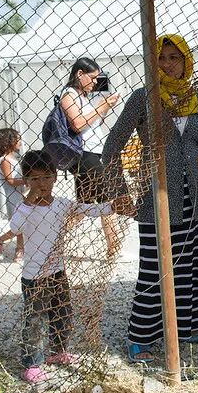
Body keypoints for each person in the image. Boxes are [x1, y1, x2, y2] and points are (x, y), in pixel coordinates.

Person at [101, 34, 198, 363]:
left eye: (175, 57)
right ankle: (141, 335)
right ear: (152, 62)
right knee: (156, 269)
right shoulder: (143, 98)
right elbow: (111, 147)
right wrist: (119, 192)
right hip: (155, 201)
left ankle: (192, 327)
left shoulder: (195, 98)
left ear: (186, 61)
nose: (168, 64)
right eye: (161, 58)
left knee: (194, 264)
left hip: (192, 199)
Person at [8, 150, 119, 384]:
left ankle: (58, 351)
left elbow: (88, 209)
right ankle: (31, 363)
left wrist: (112, 206)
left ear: (56, 177)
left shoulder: (60, 204)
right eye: (35, 179)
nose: (42, 184)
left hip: (58, 271)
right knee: (35, 320)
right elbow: (15, 227)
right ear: (26, 181)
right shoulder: (24, 208)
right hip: (34, 277)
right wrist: (28, 201)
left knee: (62, 314)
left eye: (47, 177)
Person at [59, 58, 122, 256]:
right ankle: (114, 249)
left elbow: (91, 125)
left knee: (83, 207)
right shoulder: (69, 95)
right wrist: (101, 108)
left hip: (92, 152)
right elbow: (78, 124)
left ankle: (51, 239)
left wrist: (104, 108)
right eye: (93, 78)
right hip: (84, 155)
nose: (95, 82)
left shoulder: (83, 96)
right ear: (80, 74)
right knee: (107, 200)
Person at [0, 127, 25, 261]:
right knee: (20, 224)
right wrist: (27, 181)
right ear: (8, 142)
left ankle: (20, 249)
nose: (20, 141)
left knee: (21, 223)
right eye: (17, 139)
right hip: (12, 197)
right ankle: (0, 240)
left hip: (18, 195)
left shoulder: (12, 158)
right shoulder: (5, 160)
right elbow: (10, 180)